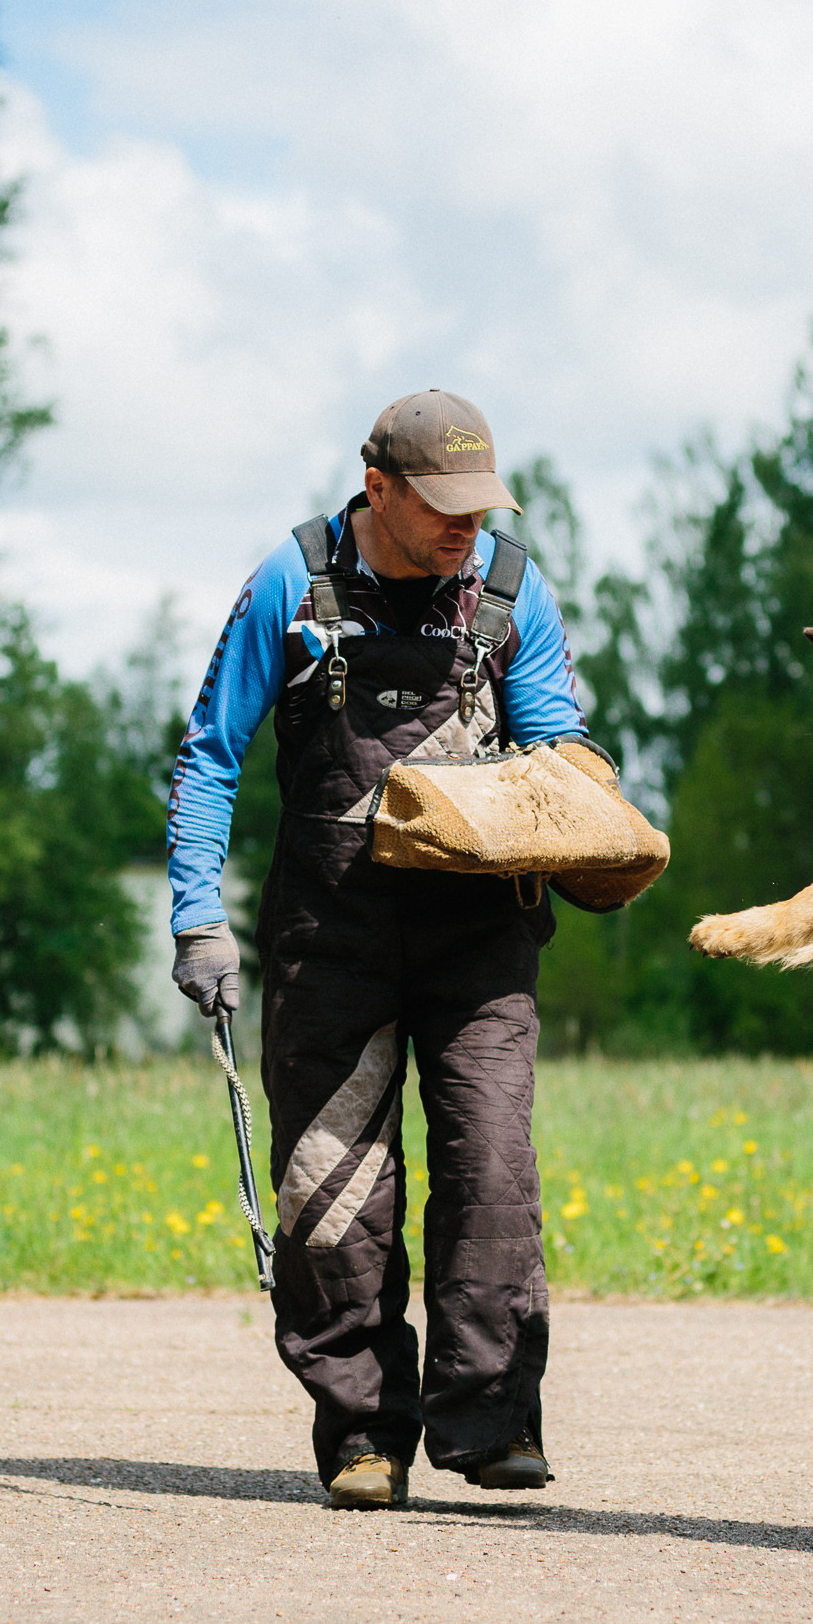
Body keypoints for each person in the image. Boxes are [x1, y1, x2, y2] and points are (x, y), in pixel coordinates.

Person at [165, 389, 592, 1510]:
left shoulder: (509, 589)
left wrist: (589, 804)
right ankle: (362, 1437)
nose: (466, 528)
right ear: (380, 490)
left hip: (480, 932)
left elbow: (554, 738)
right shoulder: (289, 585)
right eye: (442, 507)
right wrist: (195, 915)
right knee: (334, 1190)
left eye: (478, 507)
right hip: (331, 934)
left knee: (492, 1168)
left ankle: (491, 1423)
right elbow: (210, 755)